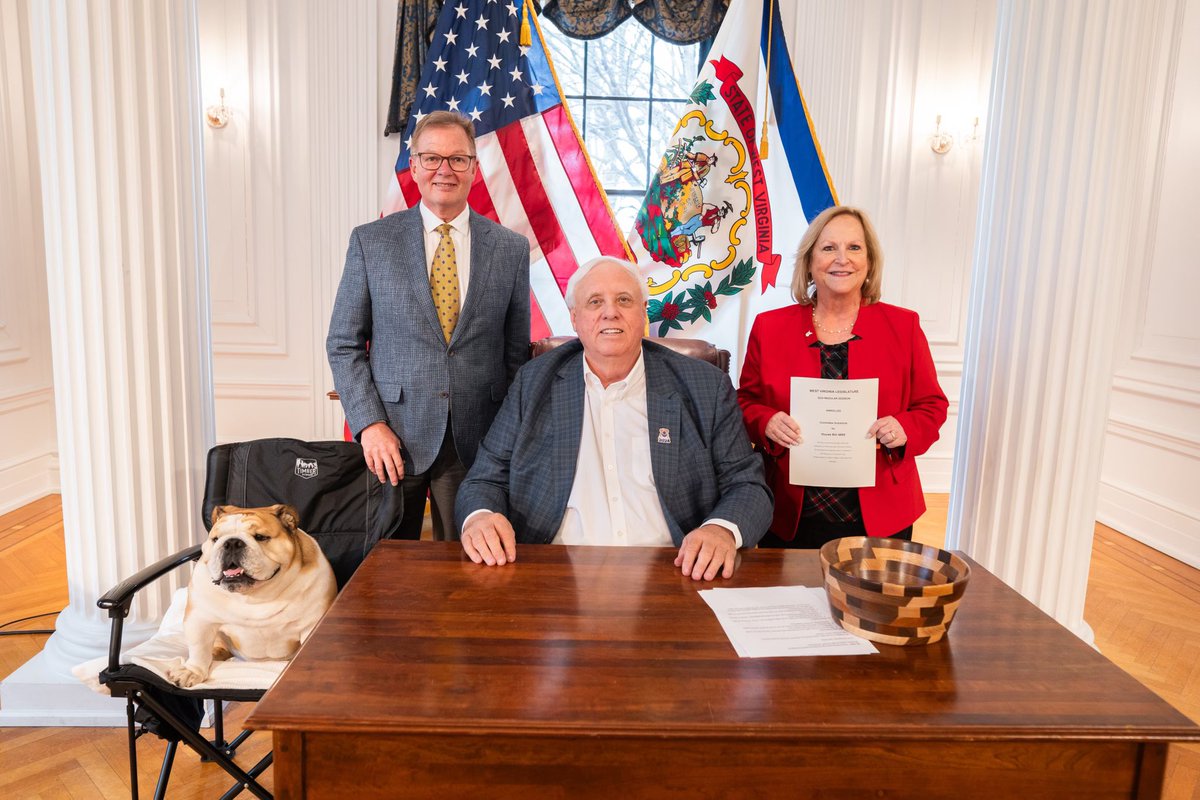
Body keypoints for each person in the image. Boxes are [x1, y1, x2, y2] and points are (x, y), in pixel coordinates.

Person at [455, 257, 772, 580]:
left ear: (643, 312)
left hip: (675, 570)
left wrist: (720, 530)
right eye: (595, 302)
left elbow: (747, 485)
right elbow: (484, 479)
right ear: (575, 319)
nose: (610, 312)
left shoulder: (704, 386)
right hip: (553, 574)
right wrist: (480, 516)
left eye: (624, 300)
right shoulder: (534, 382)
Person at [327, 111, 530, 541]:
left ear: (475, 168)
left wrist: (506, 440)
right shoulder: (371, 242)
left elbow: (516, 355)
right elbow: (344, 343)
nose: (445, 169)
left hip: (477, 441)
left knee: (468, 572)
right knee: (386, 573)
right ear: (414, 166)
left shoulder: (510, 249)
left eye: (458, 159)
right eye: (432, 157)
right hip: (391, 439)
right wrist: (369, 425)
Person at [737, 206, 948, 548]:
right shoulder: (770, 327)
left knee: (871, 602)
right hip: (789, 509)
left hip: (882, 511)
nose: (842, 259)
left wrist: (904, 427)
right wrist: (766, 421)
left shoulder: (903, 326)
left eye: (854, 248)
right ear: (809, 261)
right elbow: (745, 401)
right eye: (828, 248)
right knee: (789, 600)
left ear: (869, 262)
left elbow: (931, 405)